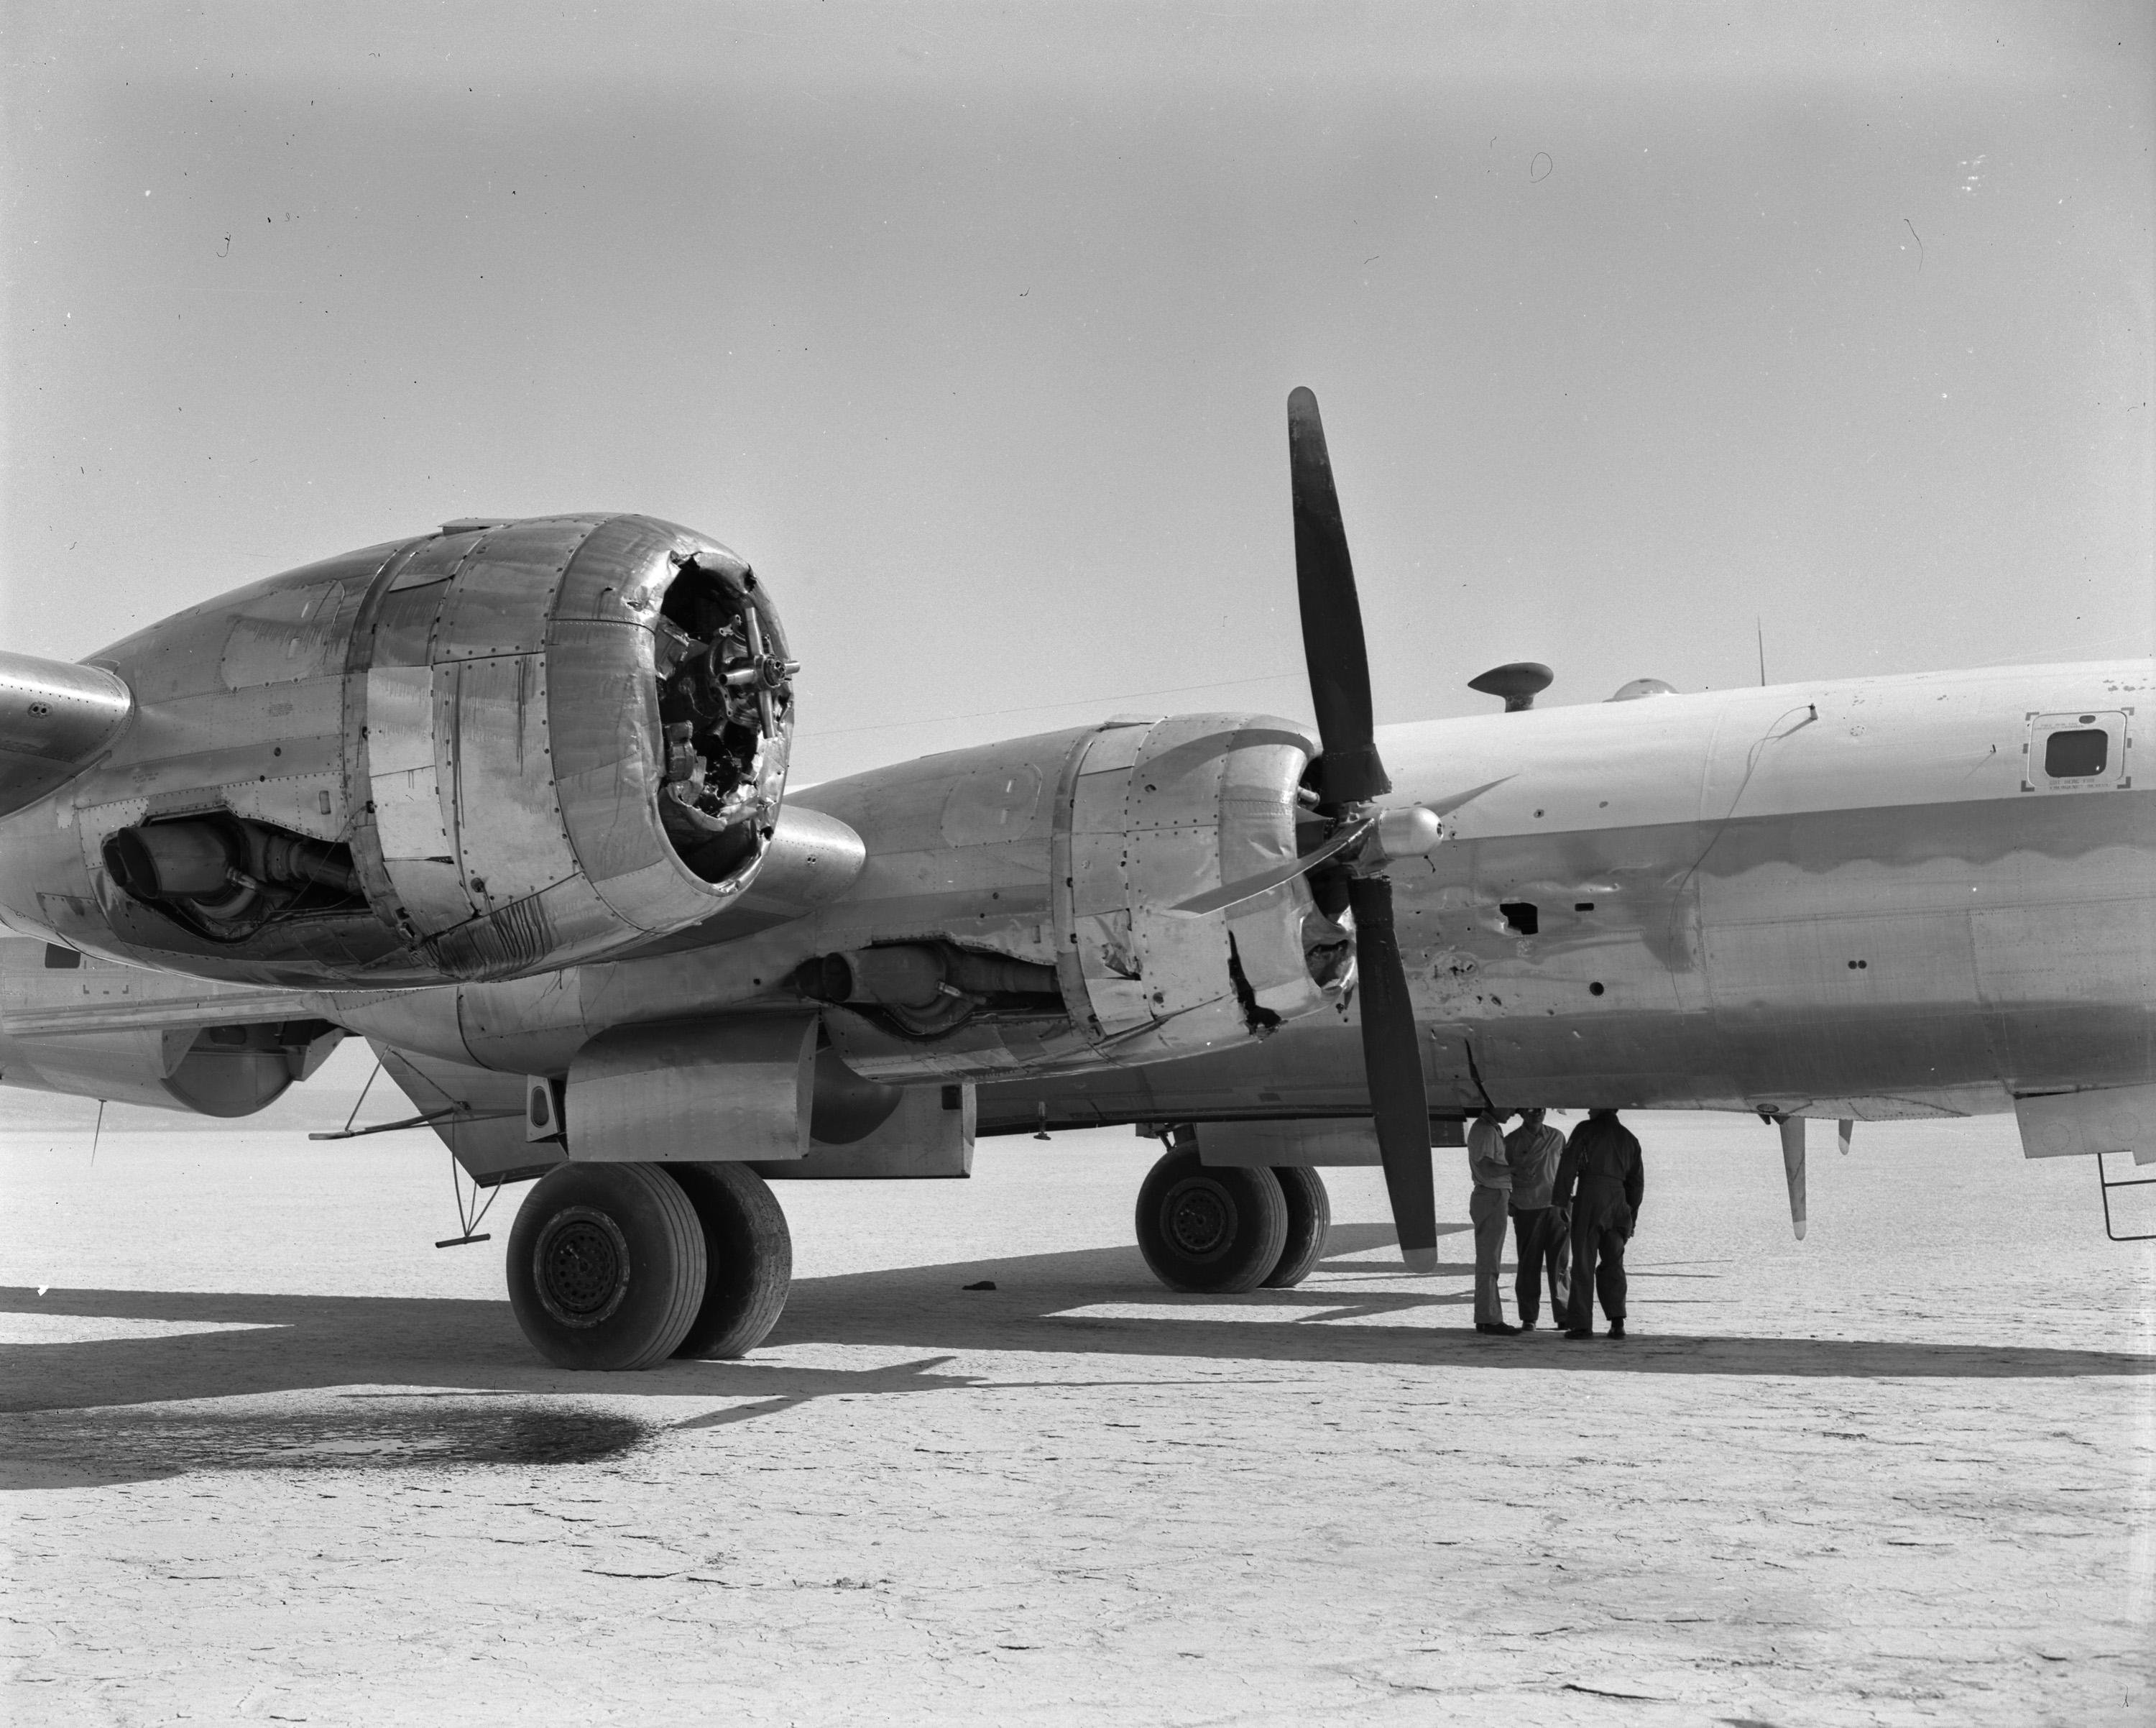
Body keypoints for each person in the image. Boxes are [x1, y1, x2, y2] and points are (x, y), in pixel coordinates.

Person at [1552, 1107, 1644, 1341]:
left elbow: (1568, 1165)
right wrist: (1631, 1216)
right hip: (1619, 1202)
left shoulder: (1585, 1130)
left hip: (1590, 1198)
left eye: (1593, 1105)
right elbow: (1637, 1184)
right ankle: (1617, 1322)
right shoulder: (1629, 1139)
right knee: (1614, 1262)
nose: (1589, 1109)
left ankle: (1582, 1325)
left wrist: (1561, 1202)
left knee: (1583, 1261)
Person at [1503, 1108, 1570, 1330]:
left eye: (1541, 1110)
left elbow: (1567, 1170)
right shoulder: (1511, 1142)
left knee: (1560, 1264)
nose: (1537, 1114)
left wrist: (1568, 1202)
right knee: (1528, 1264)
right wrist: (1509, 1202)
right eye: (1531, 1110)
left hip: (1555, 1208)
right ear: (1522, 1113)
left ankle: (1564, 1315)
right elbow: (1502, 1174)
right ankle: (1529, 1316)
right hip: (1526, 1209)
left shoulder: (1557, 1137)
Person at [1465, 1108, 1518, 1335]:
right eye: (1511, 1106)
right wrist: (1517, 1170)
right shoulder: (1485, 1131)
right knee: (1489, 1260)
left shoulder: (1490, 1129)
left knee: (1490, 1259)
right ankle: (1489, 1319)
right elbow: (1487, 1167)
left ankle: (1488, 1317)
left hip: (1494, 1195)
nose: (1514, 1112)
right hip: (1491, 1194)